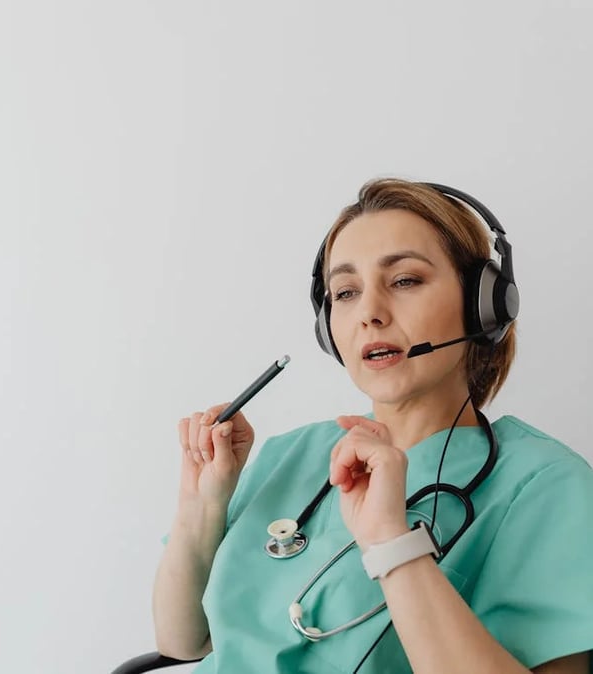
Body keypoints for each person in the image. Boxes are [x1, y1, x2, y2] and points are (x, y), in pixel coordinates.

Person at [152, 178, 593, 673]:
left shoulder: (548, 487)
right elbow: (183, 642)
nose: (370, 314)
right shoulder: (290, 454)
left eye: (404, 280)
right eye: (345, 292)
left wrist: (390, 542)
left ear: (484, 303)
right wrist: (202, 501)